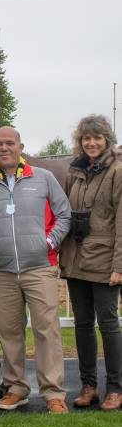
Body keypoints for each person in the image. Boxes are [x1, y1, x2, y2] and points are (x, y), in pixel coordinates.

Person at [0, 127, 72, 414]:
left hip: (40, 268)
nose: (4, 148)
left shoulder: (44, 178)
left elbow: (64, 213)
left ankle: (53, 392)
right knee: (9, 331)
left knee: (46, 331)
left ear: (20, 146)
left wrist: (49, 242)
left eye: (9, 143)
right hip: (1, 272)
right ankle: (16, 387)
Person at [59, 114, 122, 411]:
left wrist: (119, 266)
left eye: (96, 138)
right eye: (86, 138)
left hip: (105, 261)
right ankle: (89, 386)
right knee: (82, 325)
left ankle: (115, 388)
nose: (91, 143)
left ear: (106, 140)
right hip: (76, 260)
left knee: (109, 326)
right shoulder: (75, 171)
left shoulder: (118, 171)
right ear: (80, 142)